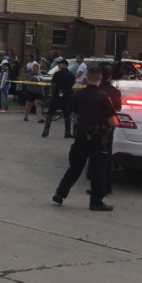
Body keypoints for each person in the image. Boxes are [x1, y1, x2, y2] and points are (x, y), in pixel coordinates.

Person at [52, 66, 116, 212]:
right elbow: (112, 120)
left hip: (81, 134)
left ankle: (60, 193)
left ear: (86, 78)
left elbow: (74, 114)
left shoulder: (79, 93)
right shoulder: (103, 96)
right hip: (98, 137)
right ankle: (96, 201)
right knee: (98, 169)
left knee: (75, 167)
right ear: (100, 79)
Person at [92, 63, 123, 195]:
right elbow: (118, 108)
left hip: (94, 126)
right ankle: (107, 187)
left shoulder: (96, 90)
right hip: (109, 128)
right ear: (110, 77)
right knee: (107, 157)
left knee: (95, 159)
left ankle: (97, 187)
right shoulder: (115, 92)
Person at [43, 58, 75, 139]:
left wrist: (51, 92)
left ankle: (46, 130)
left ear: (64, 65)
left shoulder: (57, 74)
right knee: (67, 113)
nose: (58, 65)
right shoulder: (71, 75)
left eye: (60, 64)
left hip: (57, 93)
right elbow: (72, 85)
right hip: (67, 94)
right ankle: (67, 132)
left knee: (51, 112)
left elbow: (52, 84)